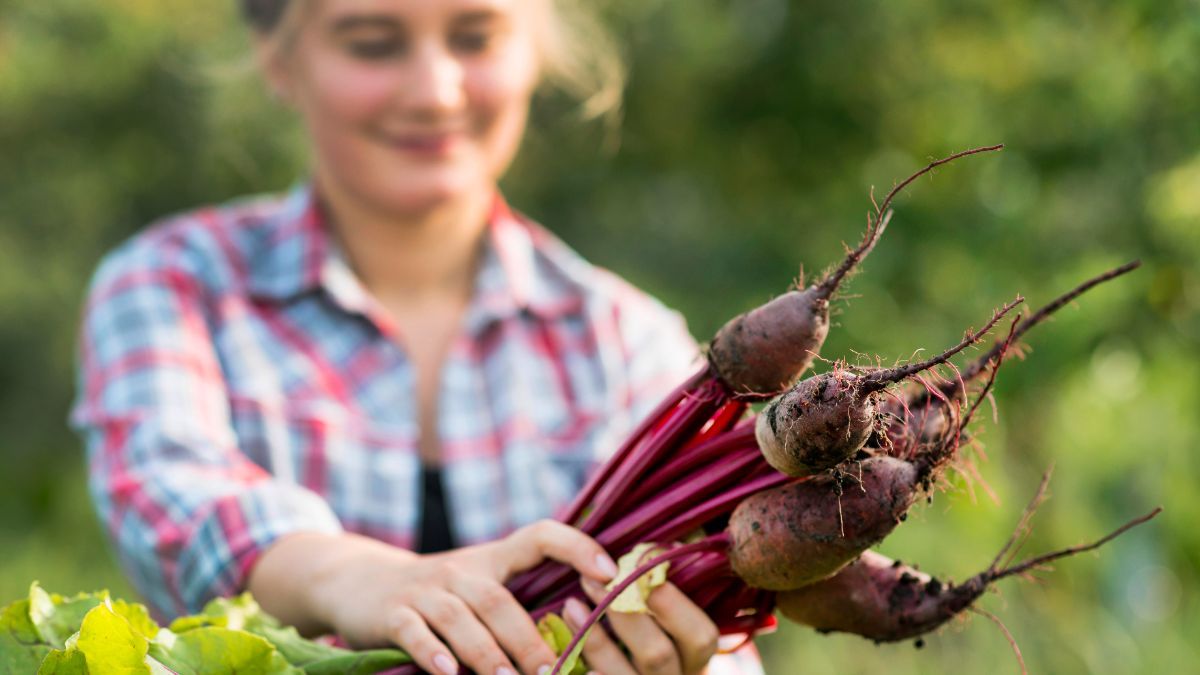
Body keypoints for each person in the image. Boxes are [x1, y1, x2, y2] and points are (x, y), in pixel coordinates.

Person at [72, 1, 763, 674]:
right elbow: (174, 501)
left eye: (476, 37)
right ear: (279, 60)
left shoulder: (627, 340)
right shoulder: (173, 285)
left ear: (533, 48)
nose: (435, 92)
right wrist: (356, 577)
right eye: (372, 44)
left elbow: (728, 622)